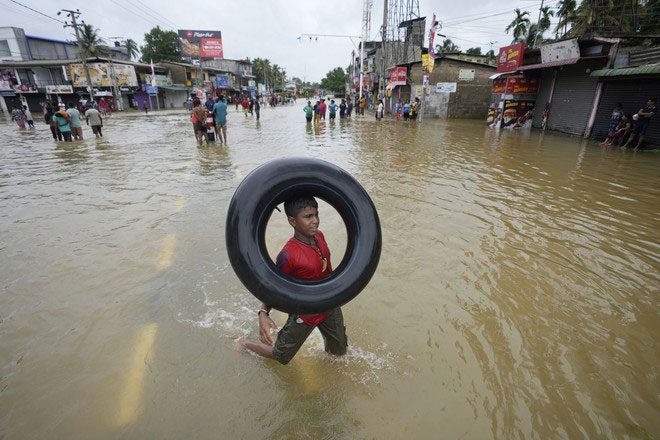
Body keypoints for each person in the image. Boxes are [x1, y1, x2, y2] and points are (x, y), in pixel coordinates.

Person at [237, 196, 348, 365]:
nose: (315, 221)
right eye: (308, 217)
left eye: (316, 215)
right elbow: (273, 286)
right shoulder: (288, 255)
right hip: (305, 311)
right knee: (281, 356)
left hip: (329, 305)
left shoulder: (320, 236)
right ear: (292, 221)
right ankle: (245, 342)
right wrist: (263, 312)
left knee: (339, 353)